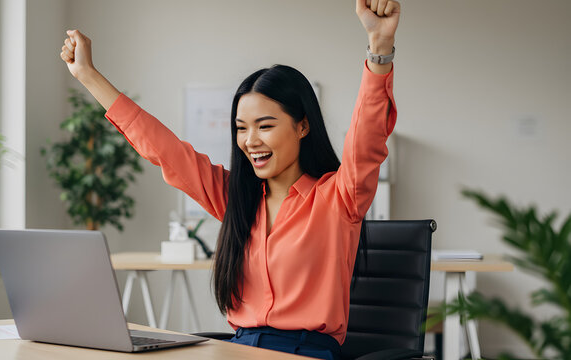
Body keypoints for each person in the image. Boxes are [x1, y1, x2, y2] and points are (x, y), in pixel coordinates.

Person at [60, 0, 399, 359]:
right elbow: (164, 149)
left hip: (305, 353)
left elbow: (367, 139)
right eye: (241, 129)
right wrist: (87, 75)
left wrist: (379, 48)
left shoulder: (338, 199)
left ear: (302, 126)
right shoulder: (236, 199)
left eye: (265, 126)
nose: (251, 141)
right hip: (237, 348)